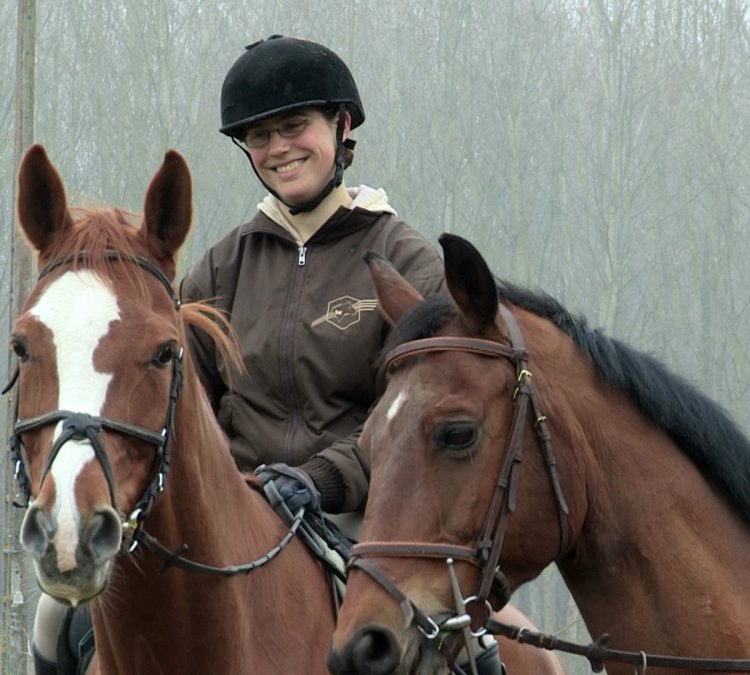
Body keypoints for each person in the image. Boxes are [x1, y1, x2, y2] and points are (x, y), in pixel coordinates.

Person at [31, 34, 507, 675]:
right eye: (260, 137)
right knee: (56, 615)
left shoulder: (408, 263)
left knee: (464, 647)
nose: (279, 148)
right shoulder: (220, 267)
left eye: (294, 127)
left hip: (360, 518)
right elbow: (171, 399)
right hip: (228, 512)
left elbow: (421, 414)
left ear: (340, 128)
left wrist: (320, 479)